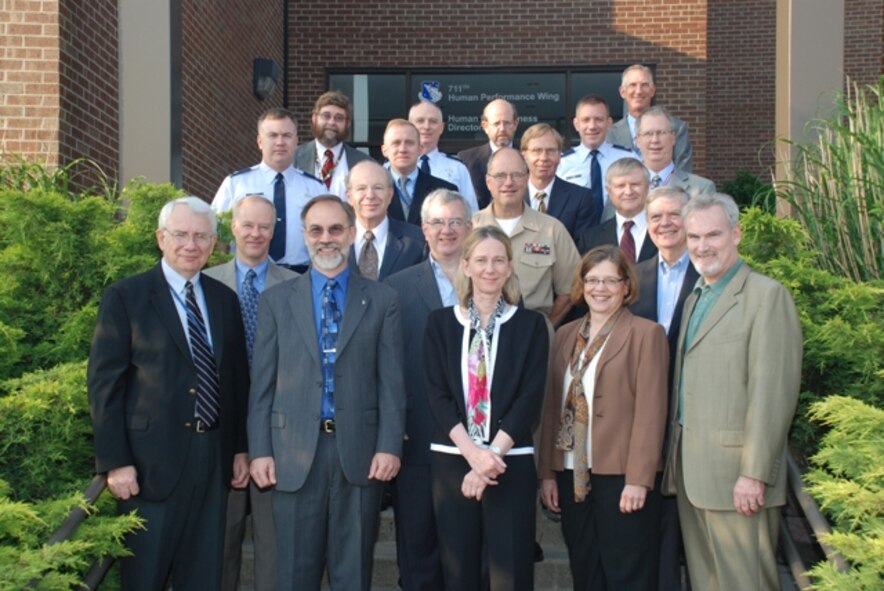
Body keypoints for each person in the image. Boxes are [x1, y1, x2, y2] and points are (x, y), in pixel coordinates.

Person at [88, 197, 250, 590]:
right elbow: (105, 384)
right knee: (145, 575)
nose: (190, 245)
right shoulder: (127, 297)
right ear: (161, 238)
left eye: (201, 236)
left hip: (212, 460)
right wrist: (115, 461)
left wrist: (239, 449)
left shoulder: (224, 300)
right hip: (148, 466)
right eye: (180, 234)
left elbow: (236, 379)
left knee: (205, 575)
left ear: (214, 244)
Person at [248, 195, 406, 590]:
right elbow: (262, 384)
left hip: (359, 451)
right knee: (293, 573)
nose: (326, 238)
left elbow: (391, 381)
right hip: (291, 452)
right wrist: (260, 450)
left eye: (336, 229)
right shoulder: (276, 300)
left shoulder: (383, 299)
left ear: (352, 233)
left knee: (352, 571)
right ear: (304, 236)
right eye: (316, 230)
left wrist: (389, 445)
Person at [662, 193, 802, 591]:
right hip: (693, 473)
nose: (702, 246)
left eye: (713, 235)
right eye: (693, 237)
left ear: (736, 234)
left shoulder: (766, 296)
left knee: (747, 584)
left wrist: (754, 474)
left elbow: (772, 394)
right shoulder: (696, 298)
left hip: (737, 479)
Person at [424, 225, 549, 591]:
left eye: (498, 260)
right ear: (466, 265)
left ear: (510, 267)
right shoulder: (440, 324)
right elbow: (437, 395)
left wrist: (489, 457)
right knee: (458, 572)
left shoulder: (530, 326)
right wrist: (472, 455)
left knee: (510, 572)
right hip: (452, 458)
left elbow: (530, 397)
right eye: (481, 260)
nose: (489, 268)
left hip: (510, 458)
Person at [538, 245, 669, 591]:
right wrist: (548, 474)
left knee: (627, 574)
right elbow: (553, 406)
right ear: (581, 285)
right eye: (592, 280)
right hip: (571, 474)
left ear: (626, 286)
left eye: (610, 280)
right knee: (586, 570)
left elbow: (651, 412)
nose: (600, 288)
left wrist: (639, 480)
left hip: (621, 475)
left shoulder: (646, 334)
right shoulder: (564, 336)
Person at [203, 195, 298, 591]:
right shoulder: (206, 285)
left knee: (274, 547)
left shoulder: (296, 286)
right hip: (218, 431)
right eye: (248, 225)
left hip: (279, 431)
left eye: (264, 226)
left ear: (274, 232)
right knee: (218, 542)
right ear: (232, 229)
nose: (256, 233)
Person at [384, 188, 473, 591]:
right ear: (424, 230)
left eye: (456, 221)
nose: (447, 230)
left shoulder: (494, 280)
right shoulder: (397, 288)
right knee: (418, 549)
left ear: (470, 228)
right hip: (417, 437)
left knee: (470, 553)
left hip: (479, 441)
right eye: (438, 222)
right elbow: (388, 364)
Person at [629, 186, 698, 591]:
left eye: (674, 215)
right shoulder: (635, 278)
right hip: (645, 416)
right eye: (656, 217)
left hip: (694, 416)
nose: (665, 224)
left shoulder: (708, 274)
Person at [472, 147, 580, 327]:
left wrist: (544, 328)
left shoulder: (552, 229)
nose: (509, 182)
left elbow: (570, 290)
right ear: (488, 181)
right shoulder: (470, 228)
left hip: (534, 336)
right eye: (500, 176)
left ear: (527, 178)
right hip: (479, 337)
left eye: (516, 175)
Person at [213, 108, 326, 273]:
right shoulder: (236, 183)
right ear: (260, 141)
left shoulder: (316, 188)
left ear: (296, 142)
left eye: (286, 136)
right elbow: (217, 233)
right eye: (272, 135)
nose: (280, 142)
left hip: (300, 276)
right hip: (246, 276)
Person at [557, 94, 638, 226]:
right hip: (574, 236)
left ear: (609, 123)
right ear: (576, 124)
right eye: (586, 120)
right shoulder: (562, 163)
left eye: (598, 119)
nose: (592, 126)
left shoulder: (627, 158)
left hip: (618, 235)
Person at [345, 160, 426, 281]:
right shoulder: (334, 239)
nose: (370, 195)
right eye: (361, 188)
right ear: (349, 197)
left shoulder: (417, 241)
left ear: (390, 195)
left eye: (378, 188)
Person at [607, 65, 693, 172]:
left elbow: (683, 173)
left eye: (644, 85)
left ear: (652, 90)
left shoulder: (677, 128)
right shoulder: (609, 134)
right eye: (633, 85)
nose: (638, 91)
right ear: (622, 92)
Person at [575, 157, 658, 264]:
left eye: (635, 184)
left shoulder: (664, 230)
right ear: (609, 191)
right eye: (620, 186)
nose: (628, 192)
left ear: (648, 187)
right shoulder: (590, 239)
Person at [293, 90, 374, 198]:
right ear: (314, 118)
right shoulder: (292, 158)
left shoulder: (365, 164)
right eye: (326, 116)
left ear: (347, 123)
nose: (331, 122)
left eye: (339, 118)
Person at [520, 122, 594, 240]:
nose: (544, 158)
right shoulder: (510, 194)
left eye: (550, 151)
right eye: (537, 150)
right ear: (524, 155)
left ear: (560, 155)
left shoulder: (580, 198)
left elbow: (582, 248)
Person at [408, 100, 480, 212]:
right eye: (420, 121)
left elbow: (471, 213)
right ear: (410, 126)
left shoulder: (457, 168)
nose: (426, 126)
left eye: (433, 121)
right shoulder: (391, 168)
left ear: (441, 128)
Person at [382, 119, 458, 225]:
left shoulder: (445, 190)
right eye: (396, 143)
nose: (403, 149)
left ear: (420, 149)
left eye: (409, 143)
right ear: (384, 150)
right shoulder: (371, 191)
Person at [635, 107, 715, 198]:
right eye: (648, 133)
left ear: (673, 138)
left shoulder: (702, 189)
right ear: (638, 141)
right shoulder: (621, 186)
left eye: (661, 133)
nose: (655, 140)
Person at [458, 98, 520, 209]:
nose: (502, 129)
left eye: (507, 123)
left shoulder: (527, 157)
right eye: (496, 124)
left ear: (515, 124)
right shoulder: (466, 160)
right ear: (485, 126)